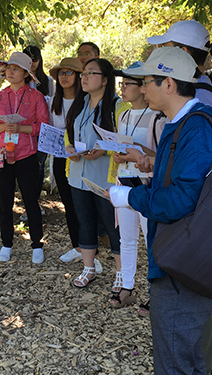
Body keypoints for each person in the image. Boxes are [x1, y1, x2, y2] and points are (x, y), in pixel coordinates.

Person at [107, 47, 212, 374]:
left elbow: (182, 199)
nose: (142, 88)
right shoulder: (181, 124)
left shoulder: (195, 128)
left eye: (146, 81)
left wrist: (131, 198)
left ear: (169, 84)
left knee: (176, 357)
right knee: (183, 351)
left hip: (183, 263)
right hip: (178, 256)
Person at [109, 62, 166, 308]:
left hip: (148, 183)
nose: (122, 89)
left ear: (143, 87)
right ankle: (126, 286)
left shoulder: (159, 118)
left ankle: (157, 293)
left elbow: (163, 157)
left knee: (151, 239)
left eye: (128, 84)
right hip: (125, 180)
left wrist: (136, 152)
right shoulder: (123, 114)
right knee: (127, 238)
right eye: (121, 84)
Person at [0, 52, 49, 263]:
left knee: (30, 201)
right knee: (5, 202)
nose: (10, 73)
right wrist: (3, 127)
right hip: (3, 156)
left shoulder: (36, 97)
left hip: (27, 155)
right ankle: (6, 243)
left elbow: (43, 125)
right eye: (8, 69)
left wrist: (22, 127)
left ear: (26, 73)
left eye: (15, 69)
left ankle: (37, 245)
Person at [65, 58, 121, 288]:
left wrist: (103, 150)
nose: (84, 77)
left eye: (91, 73)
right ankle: (88, 269)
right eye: (83, 74)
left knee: (113, 226)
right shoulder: (80, 103)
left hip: (105, 179)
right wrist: (69, 148)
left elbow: (124, 142)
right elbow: (69, 132)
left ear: (106, 79)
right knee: (85, 223)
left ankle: (122, 274)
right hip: (78, 175)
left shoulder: (118, 107)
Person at [47, 58, 83, 263]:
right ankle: (76, 246)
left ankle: (90, 246)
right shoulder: (52, 101)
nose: (64, 77)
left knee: (84, 202)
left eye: (69, 73)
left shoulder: (86, 100)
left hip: (83, 157)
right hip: (61, 157)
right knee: (68, 203)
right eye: (61, 73)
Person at [147, 20, 212, 108]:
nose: (164, 55)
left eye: (167, 50)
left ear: (183, 52)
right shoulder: (194, 87)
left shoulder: (200, 95)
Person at [21, 45, 54, 222]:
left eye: (35, 59)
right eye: (28, 59)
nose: (32, 63)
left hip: (43, 131)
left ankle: (34, 203)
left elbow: (54, 108)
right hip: (23, 132)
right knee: (24, 168)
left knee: (39, 168)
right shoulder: (18, 80)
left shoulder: (48, 82)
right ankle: (27, 205)